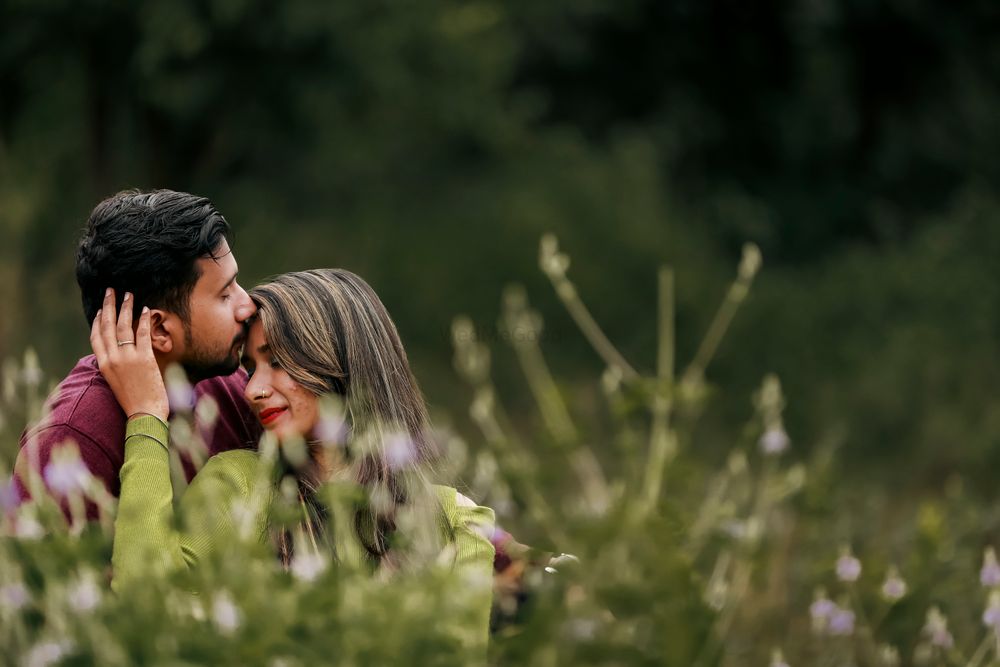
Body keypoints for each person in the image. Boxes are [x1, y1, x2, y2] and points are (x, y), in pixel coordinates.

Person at [92, 269, 495, 646]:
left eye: (279, 362)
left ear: (342, 361)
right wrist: (146, 416)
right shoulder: (240, 487)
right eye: (251, 368)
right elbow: (143, 602)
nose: (252, 391)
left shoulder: (458, 523)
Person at [13, 189, 261, 520]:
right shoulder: (73, 440)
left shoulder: (227, 386)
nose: (248, 305)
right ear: (158, 329)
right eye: (225, 294)